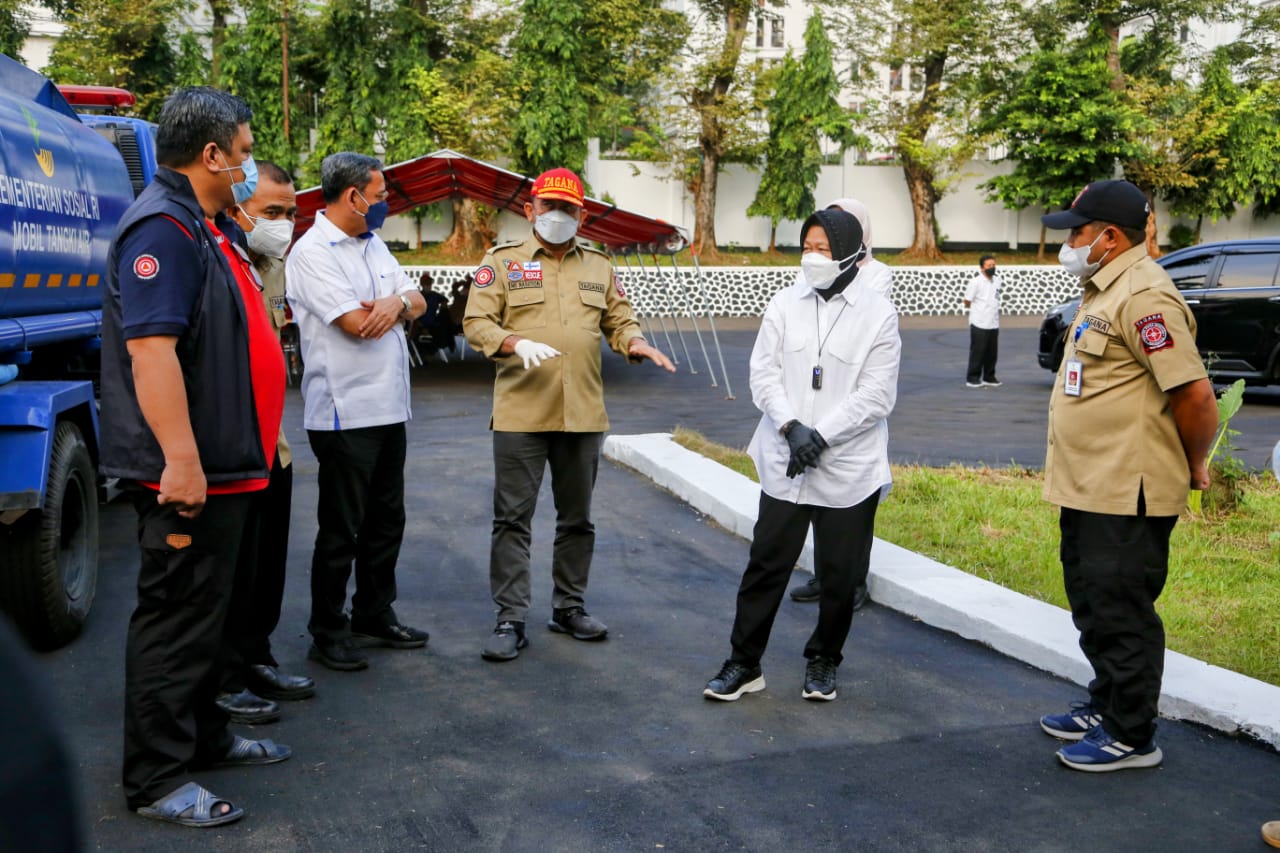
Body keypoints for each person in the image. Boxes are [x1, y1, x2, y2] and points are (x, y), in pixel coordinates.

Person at [100, 86, 291, 827]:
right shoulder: (163, 230)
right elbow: (152, 353)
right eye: (243, 155)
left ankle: (204, 735)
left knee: (207, 620)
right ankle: (155, 778)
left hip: (231, 466)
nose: (247, 168)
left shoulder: (205, 226)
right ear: (211, 154)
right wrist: (180, 458)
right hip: (191, 472)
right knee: (175, 621)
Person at [1037, 179, 1217, 771]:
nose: (1070, 241)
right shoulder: (1103, 287)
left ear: (1109, 237)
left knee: (1122, 610)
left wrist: (1194, 464)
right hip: (1092, 484)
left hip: (1127, 491)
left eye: (1078, 232)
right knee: (1091, 602)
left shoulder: (1144, 297)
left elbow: (1194, 395)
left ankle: (1132, 734)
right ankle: (1106, 703)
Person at [463, 167, 675, 662]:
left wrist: (635, 342)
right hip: (521, 413)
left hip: (582, 413)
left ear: (581, 213)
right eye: (549, 206)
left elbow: (618, 319)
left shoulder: (598, 265)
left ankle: (569, 606)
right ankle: (510, 618)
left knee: (577, 519)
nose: (558, 216)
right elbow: (476, 322)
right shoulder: (503, 263)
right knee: (512, 519)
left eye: (568, 209)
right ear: (529, 209)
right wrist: (513, 342)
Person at [704, 208, 900, 702]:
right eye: (807, 247)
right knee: (765, 565)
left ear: (853, 252)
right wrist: (792, 428)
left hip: (848, 467)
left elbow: (877, 394)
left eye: (824, 248)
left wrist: (821, 435)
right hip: (784, 457)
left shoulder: (877, 312)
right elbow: (763, 373)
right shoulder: (784, 303)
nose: (812, 257)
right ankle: (744, 664)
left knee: (838, 574)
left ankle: (823, 661)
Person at [286, 152, 429, 672]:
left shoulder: (374, 245)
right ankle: (328, 628)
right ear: (354, 196)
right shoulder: (313, 252)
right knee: (342, 527)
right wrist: (392, 306)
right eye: (381, 192)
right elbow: (353, 323)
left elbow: (416, 301)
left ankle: (374, 611)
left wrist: (394, 304)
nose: (385, 201)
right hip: (345, 412)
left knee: (387, 519)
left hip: (390, 407)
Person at [213, 160, 316, 724]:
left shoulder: (272, 266)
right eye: (272, 213)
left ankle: (257, 657)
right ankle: (225, 678)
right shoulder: (219, 260)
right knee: (228, 573)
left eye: (290, 213)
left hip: (273, 445)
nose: (284, 224)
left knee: (265, 566)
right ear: (238, 210)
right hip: (230, 450)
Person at [789, 196, 892, 607]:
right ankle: (822, 575)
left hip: (853, 408)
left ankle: (853, 581)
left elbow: (860, 312)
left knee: (854, 506)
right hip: (810, 407)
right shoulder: (809, 276)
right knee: (816, 496)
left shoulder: (878, 274)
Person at [963, 254, 1001, 388]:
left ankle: (989, 377)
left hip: (993, 322)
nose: (992, 267)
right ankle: (972, 377)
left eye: (993, 265)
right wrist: (977, 311)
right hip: (979, 322)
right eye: (989, 265)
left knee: (992, 352)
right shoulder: (975, 282)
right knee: (978, 351)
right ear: (982, 268)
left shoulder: (997, 280)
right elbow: (967, 301)